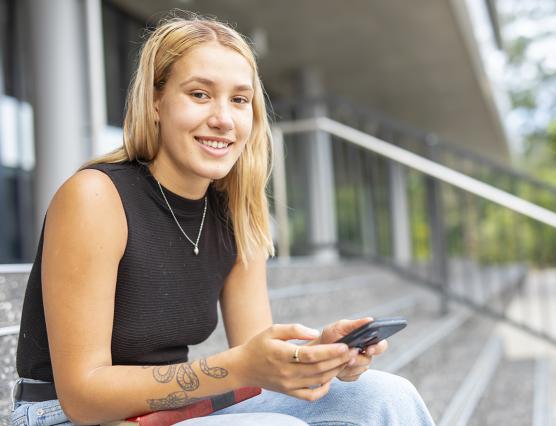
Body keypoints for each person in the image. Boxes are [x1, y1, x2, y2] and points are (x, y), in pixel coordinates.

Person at [11, 13, 435, 426]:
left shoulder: (235, 211)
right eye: (199, 94)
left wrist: (315, 358)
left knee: (385, 397)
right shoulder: (95, 197)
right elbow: (83, 397)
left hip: (174, 410)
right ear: (155, 102)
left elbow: (255, 356)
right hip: (64, 416)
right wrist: (238, 367)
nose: (223, 119)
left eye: (239, 100)